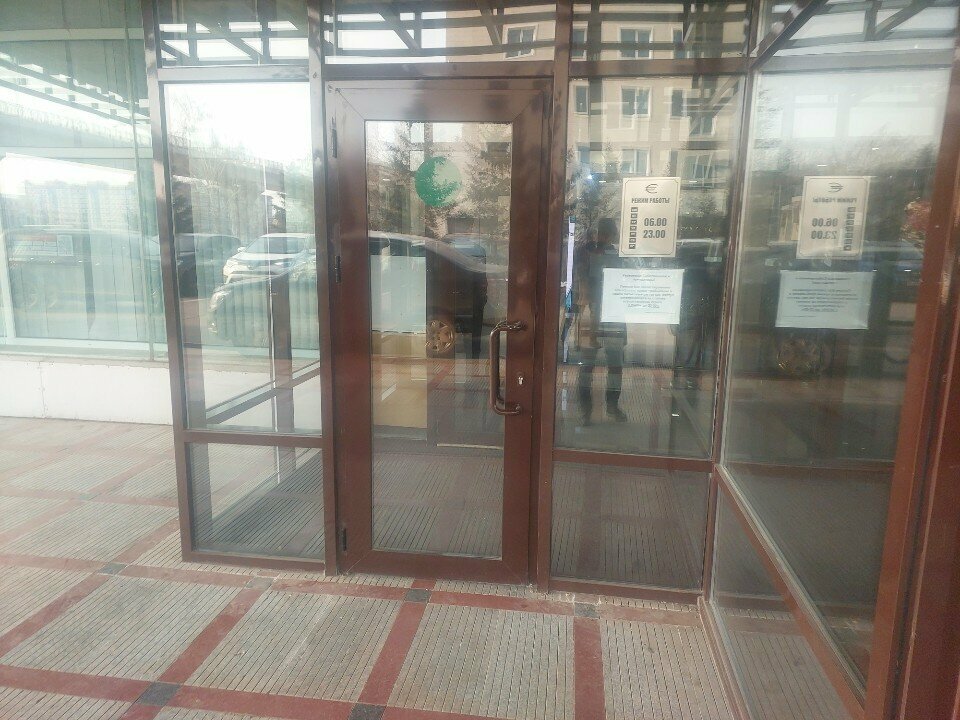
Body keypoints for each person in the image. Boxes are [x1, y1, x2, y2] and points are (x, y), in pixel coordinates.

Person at [573, 217, 627, 424]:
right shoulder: (582, 253)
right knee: (587, 364)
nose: (603, 238)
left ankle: (611, 406)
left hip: (613, 312)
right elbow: (579, 284)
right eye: (600, 234)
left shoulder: (616, 255)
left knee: (615, 363)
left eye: (607, 234)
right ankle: (586, 410)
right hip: (591, 311)